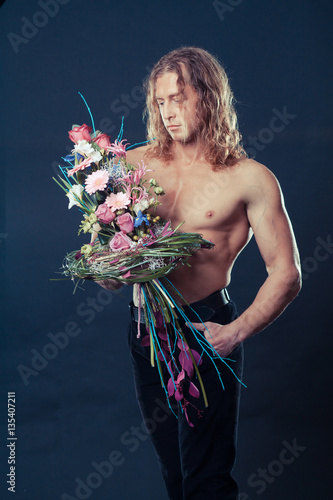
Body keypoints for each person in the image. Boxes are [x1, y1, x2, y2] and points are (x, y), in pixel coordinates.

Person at [99, 47, 302, 500]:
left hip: (205, 329)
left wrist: (233, 333)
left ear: (209, 97)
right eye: (160, 102)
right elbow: (108, 254)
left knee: (205, 481)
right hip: (145, 332)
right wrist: (108, 272)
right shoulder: (131, 166)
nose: (169, 113)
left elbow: (286, 274)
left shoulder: (250, 179)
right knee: (175, 475)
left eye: (180, 98)